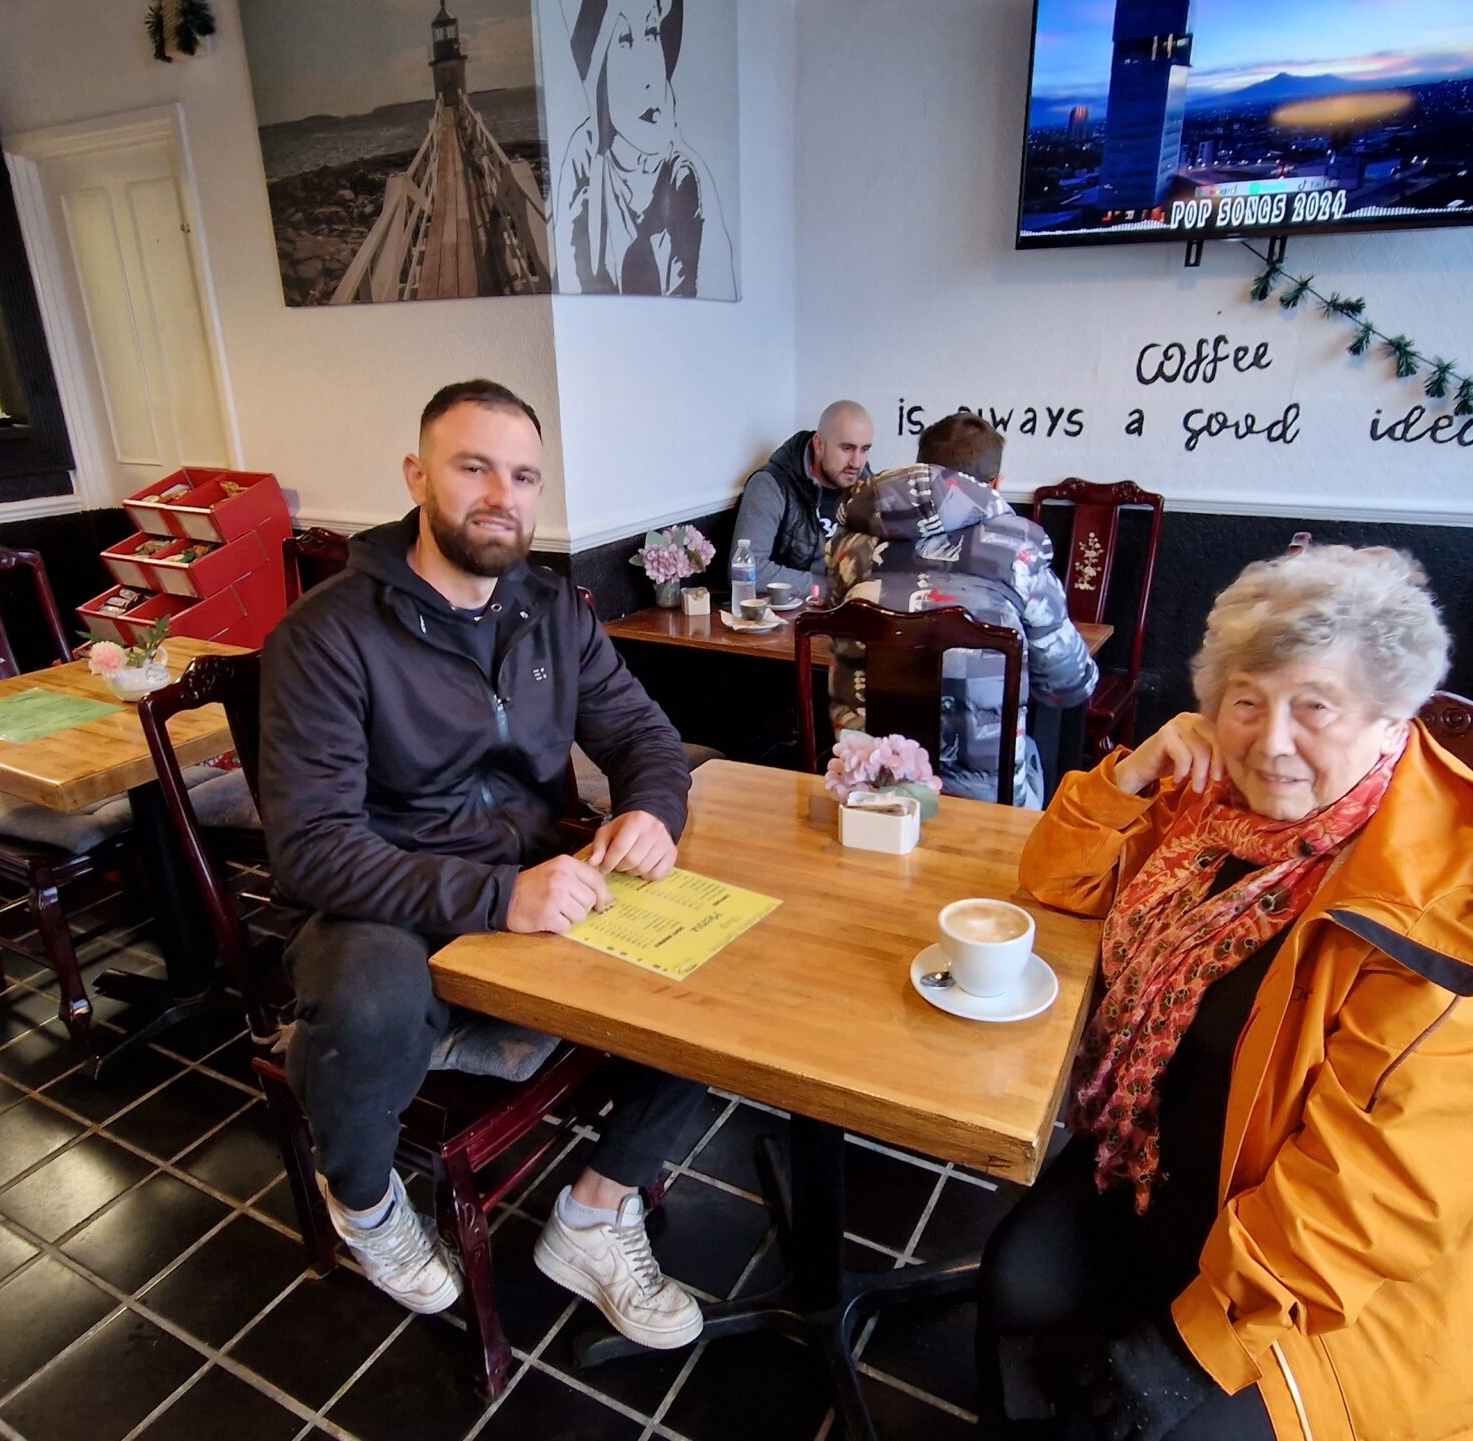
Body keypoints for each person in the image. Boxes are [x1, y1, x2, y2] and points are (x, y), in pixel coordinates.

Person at [986, 544, 1473, 1441]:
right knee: (1015, 1277)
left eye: (1315, 706)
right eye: (1247, 700)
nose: (1271, 740)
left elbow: (1376, 1198)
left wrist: (1189, 1344)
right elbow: (1056, 883)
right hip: (1163, 1175)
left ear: (1392, 714)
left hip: (1361, 1290)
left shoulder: (1448, 914)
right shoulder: (1209, 809)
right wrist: (1128, 775)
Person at [258, 379, 711, 1351]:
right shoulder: (325, 636)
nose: (501, 495)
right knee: (365, 992)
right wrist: (499, 895)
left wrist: (650, 809)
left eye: (523, 475)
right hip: (389, 895)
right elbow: (311, 847)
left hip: (541, 883)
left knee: (728, 976)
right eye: (474, 468)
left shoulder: (554, 611)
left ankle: (594, 1211)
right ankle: (367, 1200)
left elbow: (644, 736)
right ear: (418, 475)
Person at [825, 414, 1097, 808]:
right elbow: (1069, 684)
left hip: (866, 780)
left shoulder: (850, 541)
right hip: (985, 801)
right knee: (1037, 759)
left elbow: (838, 627)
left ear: (922, 466)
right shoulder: (1018, 548)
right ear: (995, 485)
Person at [557, 0, 737, 298]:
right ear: (598, 68)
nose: (649, 76)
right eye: (625, 41)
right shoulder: (582, 171)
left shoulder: (690, 181)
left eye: (652, 32)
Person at [733, 400, 874, 594]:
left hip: (851, 606)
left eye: (864, 449)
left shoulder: (866, 484)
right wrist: (830, 588)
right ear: (818, 444)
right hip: (793, 613)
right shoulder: (771, 485)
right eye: (846, 448)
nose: (856, 462)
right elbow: (748, 570)